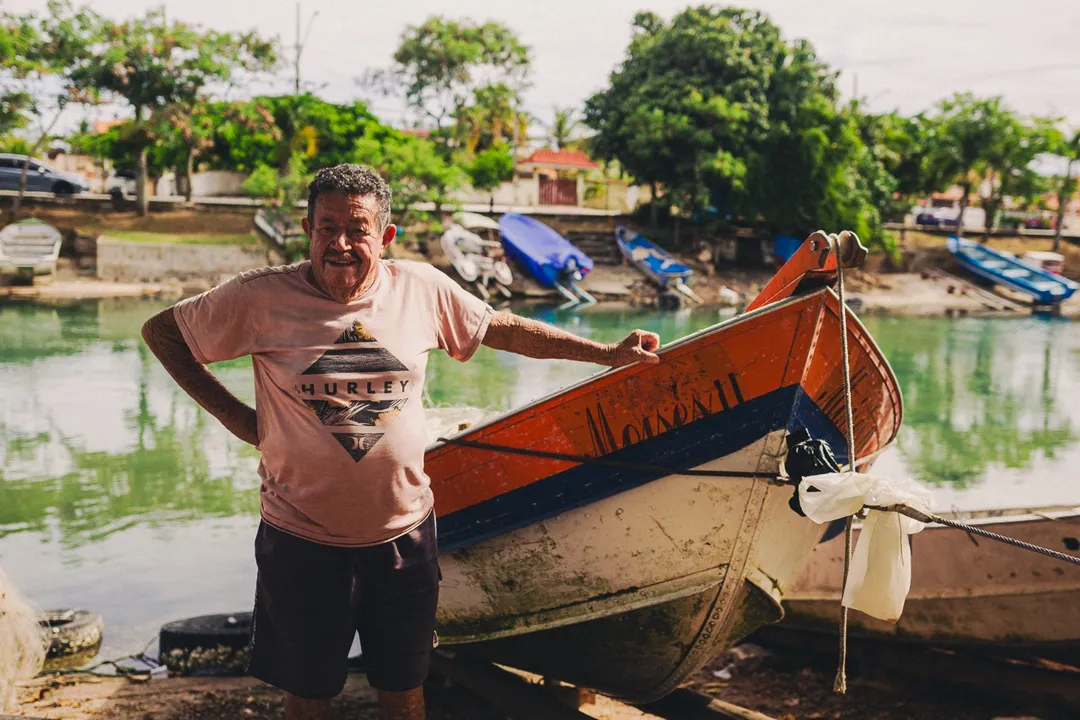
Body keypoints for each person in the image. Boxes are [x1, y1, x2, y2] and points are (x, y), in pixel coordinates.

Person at [141, 164, 660, 720]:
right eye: (326, 227)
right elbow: (163, 333)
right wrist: (239, 419)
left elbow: (500, 328)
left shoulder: (422, 288)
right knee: (308, 696)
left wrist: (605, 354)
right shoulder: (258, 297)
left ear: (385, 236)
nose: (340, 243)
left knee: (405, 691)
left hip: (403, 539)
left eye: (357, 228)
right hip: (301, 540)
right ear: (306, 229)